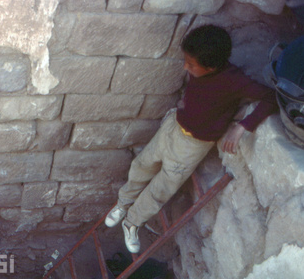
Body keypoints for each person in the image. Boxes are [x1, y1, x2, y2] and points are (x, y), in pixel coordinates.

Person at [104, 24, 278, 253]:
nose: (185, 67)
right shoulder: (201, 68)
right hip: (172, 127)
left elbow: (271, 97)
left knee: (162, 187)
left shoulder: (234, 81)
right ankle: (123, 203)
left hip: (193, 146)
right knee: (142, 165)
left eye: (191, 64)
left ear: (212, 67)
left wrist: (242, 127)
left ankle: (132, 221)